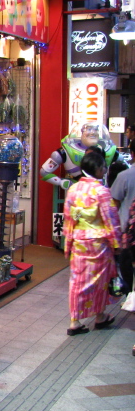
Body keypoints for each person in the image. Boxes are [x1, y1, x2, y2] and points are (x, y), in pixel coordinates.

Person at [63, 151, 121, 335]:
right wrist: (117, 243)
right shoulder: (101, 191)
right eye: (103, 166)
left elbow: (69, 218)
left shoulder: (73, 189)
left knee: (77, 280)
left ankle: (74, 321)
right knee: (99, 281)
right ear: (96, 168)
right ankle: (100, 315)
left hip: (79, 241)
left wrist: (68, 242)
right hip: (98, 243)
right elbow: (110, 219)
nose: (104, 170)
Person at [109, 142, 135, 293]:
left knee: (126, 267)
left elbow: (115, 204)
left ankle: (130, 297)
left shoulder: (124, 176)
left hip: (128, 232)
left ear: (132, 154)